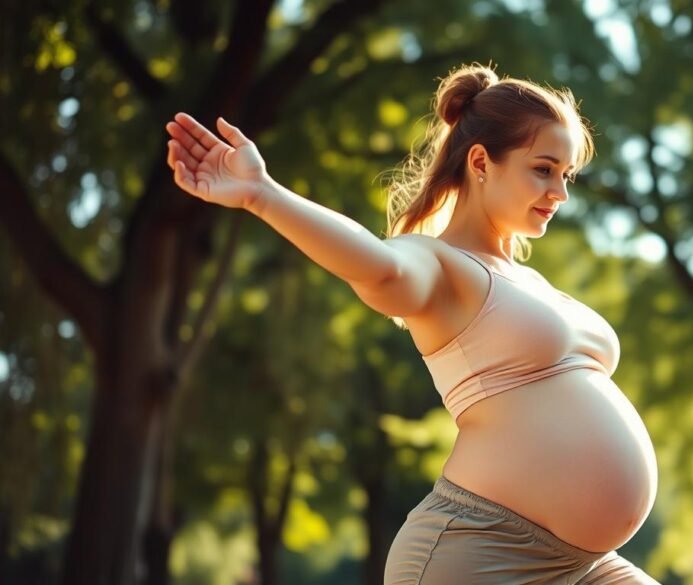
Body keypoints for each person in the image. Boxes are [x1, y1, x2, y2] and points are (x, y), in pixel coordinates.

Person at [166, 63, 660, 584]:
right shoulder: (439, 265)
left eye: (566, 175)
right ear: (480, 161)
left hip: (581, 567)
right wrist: (262, 195)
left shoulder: (531, 283)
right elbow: (377, 266)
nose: (559, 192)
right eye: (543, 169)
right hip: (480, 552)